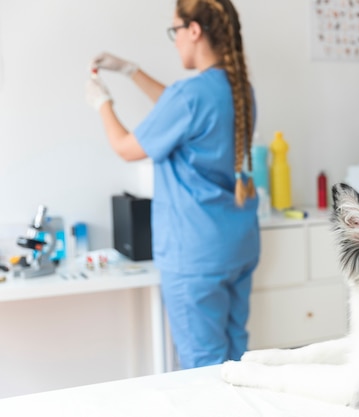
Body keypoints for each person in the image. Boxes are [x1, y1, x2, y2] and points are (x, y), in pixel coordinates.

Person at [85, 0, 260, 369]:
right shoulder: (240, 89)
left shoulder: (191, 96)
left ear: (193, 30)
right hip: (237, 245)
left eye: (175, 31)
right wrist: (133, 72)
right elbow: (178, 108)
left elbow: (125, 148)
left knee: (203, 370)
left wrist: (102, 102)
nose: (175, 40)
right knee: (237, 363)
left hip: (195, 253)